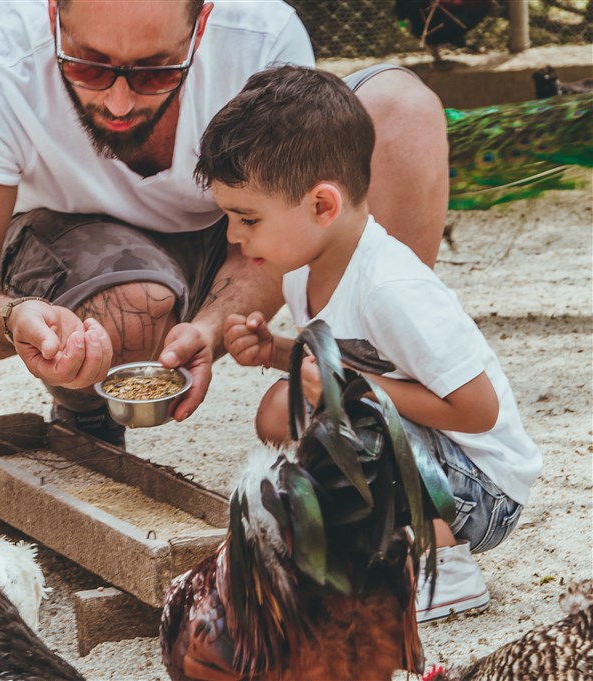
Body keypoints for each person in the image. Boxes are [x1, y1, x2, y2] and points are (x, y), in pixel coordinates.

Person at [0, 0, 449, 446]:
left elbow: (281, 221)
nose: (119, 101)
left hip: (231, 227)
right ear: (53, 14)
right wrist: (14, 318)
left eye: (156, 70)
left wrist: (212, 327)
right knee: (131, 309)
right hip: (75, 244)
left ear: (202, 23)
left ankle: (369, 393)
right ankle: (88, 413)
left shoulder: (260, 33)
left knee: (400, 110)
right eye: (89, 66)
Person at [200, 64, 541, 623]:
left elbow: (479, 411)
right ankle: (381, 545)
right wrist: (274, 351)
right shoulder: (301, 267)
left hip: (484, 493)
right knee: (278, 411)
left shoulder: (390, 287)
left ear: (322, 206)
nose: (235, 237)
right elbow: (338, 357)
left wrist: (350, 387)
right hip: (431, 455)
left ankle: (443, 570)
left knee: (340, 416)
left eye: (247, 219)